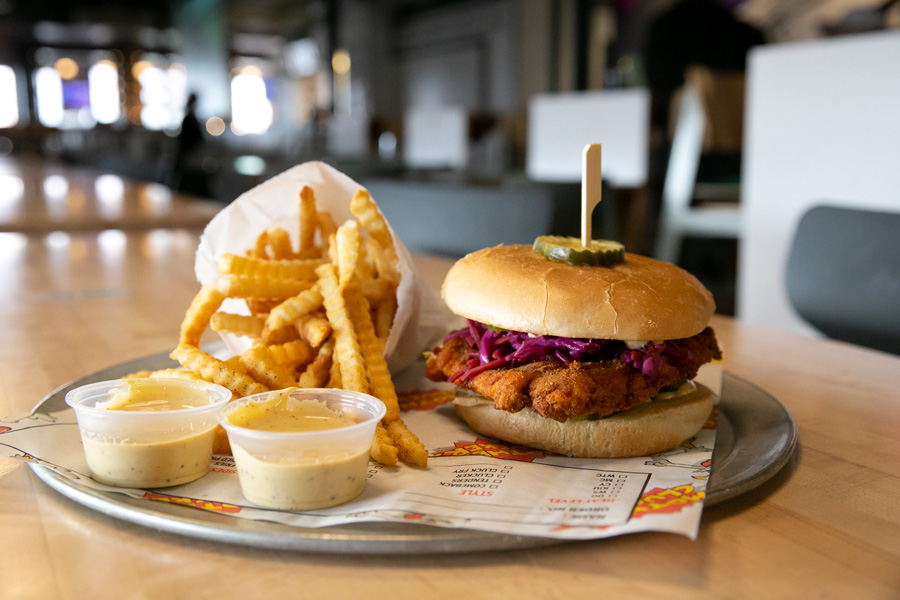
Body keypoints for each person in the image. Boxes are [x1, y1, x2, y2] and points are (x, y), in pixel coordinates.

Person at [171, 92, 212, 198]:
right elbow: (193, 139)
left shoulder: (190, 118)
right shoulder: (189, 119)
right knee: (188, 185)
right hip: (188, 157)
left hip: (188, 156)